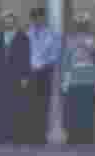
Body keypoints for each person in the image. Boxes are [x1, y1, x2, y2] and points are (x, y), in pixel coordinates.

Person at [62, 12, 95, 145]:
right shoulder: (69, 39)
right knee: (73, 110)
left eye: (84, 24)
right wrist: (65, 81)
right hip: (74, 79)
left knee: (87, 110)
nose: (81, 26)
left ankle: (86, 136)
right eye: (79, 24)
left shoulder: (93, 40)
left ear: (87, 25)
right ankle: (73, 136)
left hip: (88, 79)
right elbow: (66, 61)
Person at [0, 11, 31, 144]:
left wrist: (25, 76)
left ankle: (16, 136)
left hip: (17, 77)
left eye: (10, 20)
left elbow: (26, 58)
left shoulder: (23, 37)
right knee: (2, 107)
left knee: (16, 107)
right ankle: (3, 135)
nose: (8, 23)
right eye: (5, 20)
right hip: (1, 77)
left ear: (15, 22)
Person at [26, 8, 59, 145]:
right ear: (32, 19)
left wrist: (46, 64)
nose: (38, 20)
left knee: (44, 104)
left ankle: (41, 134)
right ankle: (31, 134)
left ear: (43, 19)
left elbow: (54, 54)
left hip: (45, 72)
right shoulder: (27, 34)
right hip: (31, 72)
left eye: (40, 18)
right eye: (35, 18)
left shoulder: (50, 34)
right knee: (31, 104)